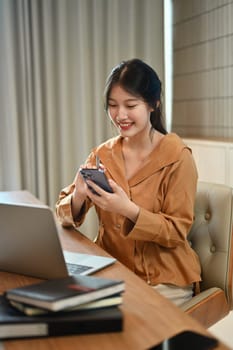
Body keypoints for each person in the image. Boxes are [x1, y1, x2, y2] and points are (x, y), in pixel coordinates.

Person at [56, 58, 201, 306]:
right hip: (113, 271)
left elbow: (177, 232)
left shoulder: (178, 156)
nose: (120, 115)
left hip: (163, 278)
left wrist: (127, 210)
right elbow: (62, 217)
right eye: (113, 105)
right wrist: (79, 195)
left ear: (153, 104)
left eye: (130, 105)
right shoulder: (102, 154)